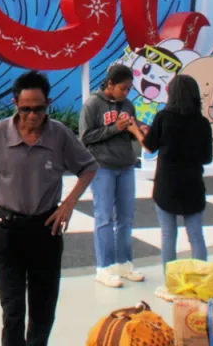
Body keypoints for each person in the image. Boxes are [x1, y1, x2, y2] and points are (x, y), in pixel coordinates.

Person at [0, 71, 97, 346]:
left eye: (39, 109)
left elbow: (88, 167)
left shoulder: (59, 135)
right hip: (7, 230)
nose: (32, 115)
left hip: (45, 231)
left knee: (43, 311)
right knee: (13, 310)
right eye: (26, 108)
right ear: (15, 103)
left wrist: (68, 203)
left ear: (48, 104)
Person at [142, 74, 213, 302]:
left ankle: (171, 284)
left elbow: (150, 146)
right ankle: (201, 282)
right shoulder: (202, 123)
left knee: (167, 235)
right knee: (196, 237)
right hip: (193, 184)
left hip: (167, 185)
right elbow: (207, 158)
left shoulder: (164, 118)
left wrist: (136, 130)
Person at [80, 64, 145, 288]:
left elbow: (132, 135)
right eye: (122, 88)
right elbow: (85, 137)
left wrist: (137, 130)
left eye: (129, 89)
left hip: (126, 165)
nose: (126, 93)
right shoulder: (92, 104)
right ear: (110, 84)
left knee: (126, 217)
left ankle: (124, 263)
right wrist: (115, 128)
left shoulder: (127, 105)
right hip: (102, 167)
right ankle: (104, 267)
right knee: (104, 217)